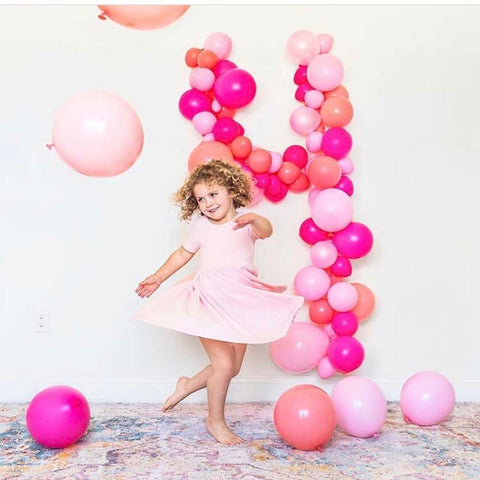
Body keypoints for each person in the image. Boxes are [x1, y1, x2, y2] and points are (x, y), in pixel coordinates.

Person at [132, 159, 303, 445]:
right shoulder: (201, 227)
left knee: (232, 369)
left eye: (213, 194)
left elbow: (267, 228)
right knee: (223, 366)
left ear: (230, 191)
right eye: (201, 199)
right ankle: (215, 420)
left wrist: (253, 220)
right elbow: (182, 255)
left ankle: (187, 384)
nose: (208, 203)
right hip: (208, 299)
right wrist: (157, 278)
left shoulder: (245, 221)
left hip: (241, 301)